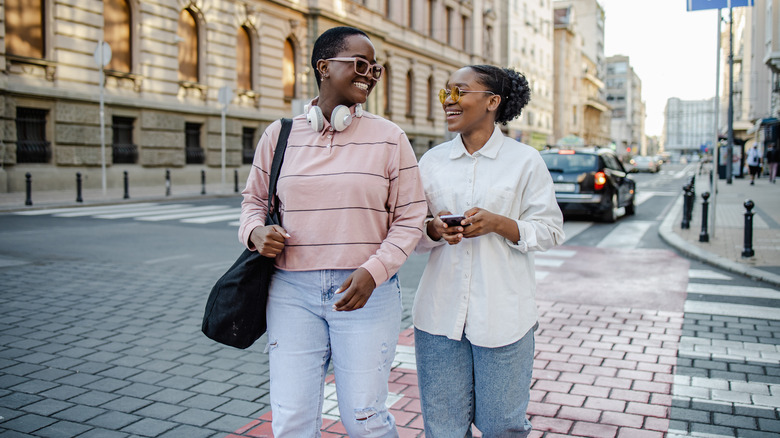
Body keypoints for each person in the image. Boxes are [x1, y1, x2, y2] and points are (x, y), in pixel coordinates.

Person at [239, 26, 427, 437]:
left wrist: (375, 270)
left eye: (375, 68)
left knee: (364, 418)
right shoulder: (280, 135)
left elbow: (412, 216)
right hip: (290, 292)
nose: (371, 74)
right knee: (291, 419)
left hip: (366, 294)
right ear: (324, 67)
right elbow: (252, 202)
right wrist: (255, 233)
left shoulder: (390, 138)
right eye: (360, 64)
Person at [412, 65, 565, 437]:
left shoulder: (525, 161)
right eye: (445, 92)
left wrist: (500, 224)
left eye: (459, 91)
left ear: (492, 101)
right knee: (444, 429)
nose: (449, 100)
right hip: (438, 317)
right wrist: (433, 229)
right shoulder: (431, 162)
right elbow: (410, 234)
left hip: (504, 318)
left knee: (502, 427)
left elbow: (550, 230)